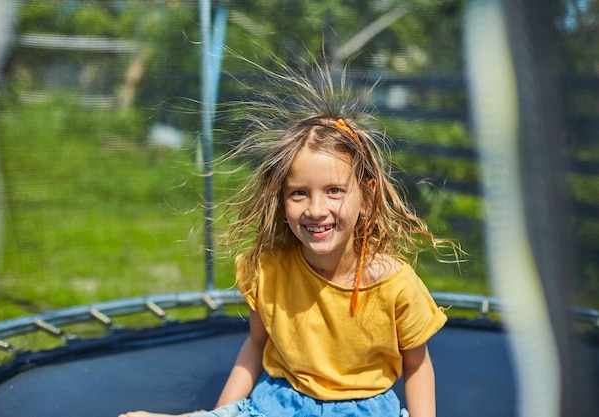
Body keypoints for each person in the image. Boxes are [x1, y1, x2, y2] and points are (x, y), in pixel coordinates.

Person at [120, 62, 458, 417]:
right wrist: (219, 414)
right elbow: (255, 345)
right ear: (281, 201)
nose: (316, 209)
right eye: (299, 193)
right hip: (280, 404)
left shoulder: (395, 285)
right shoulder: (267, 269)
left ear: (367, 198)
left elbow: (418, 365)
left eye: (334, 191)